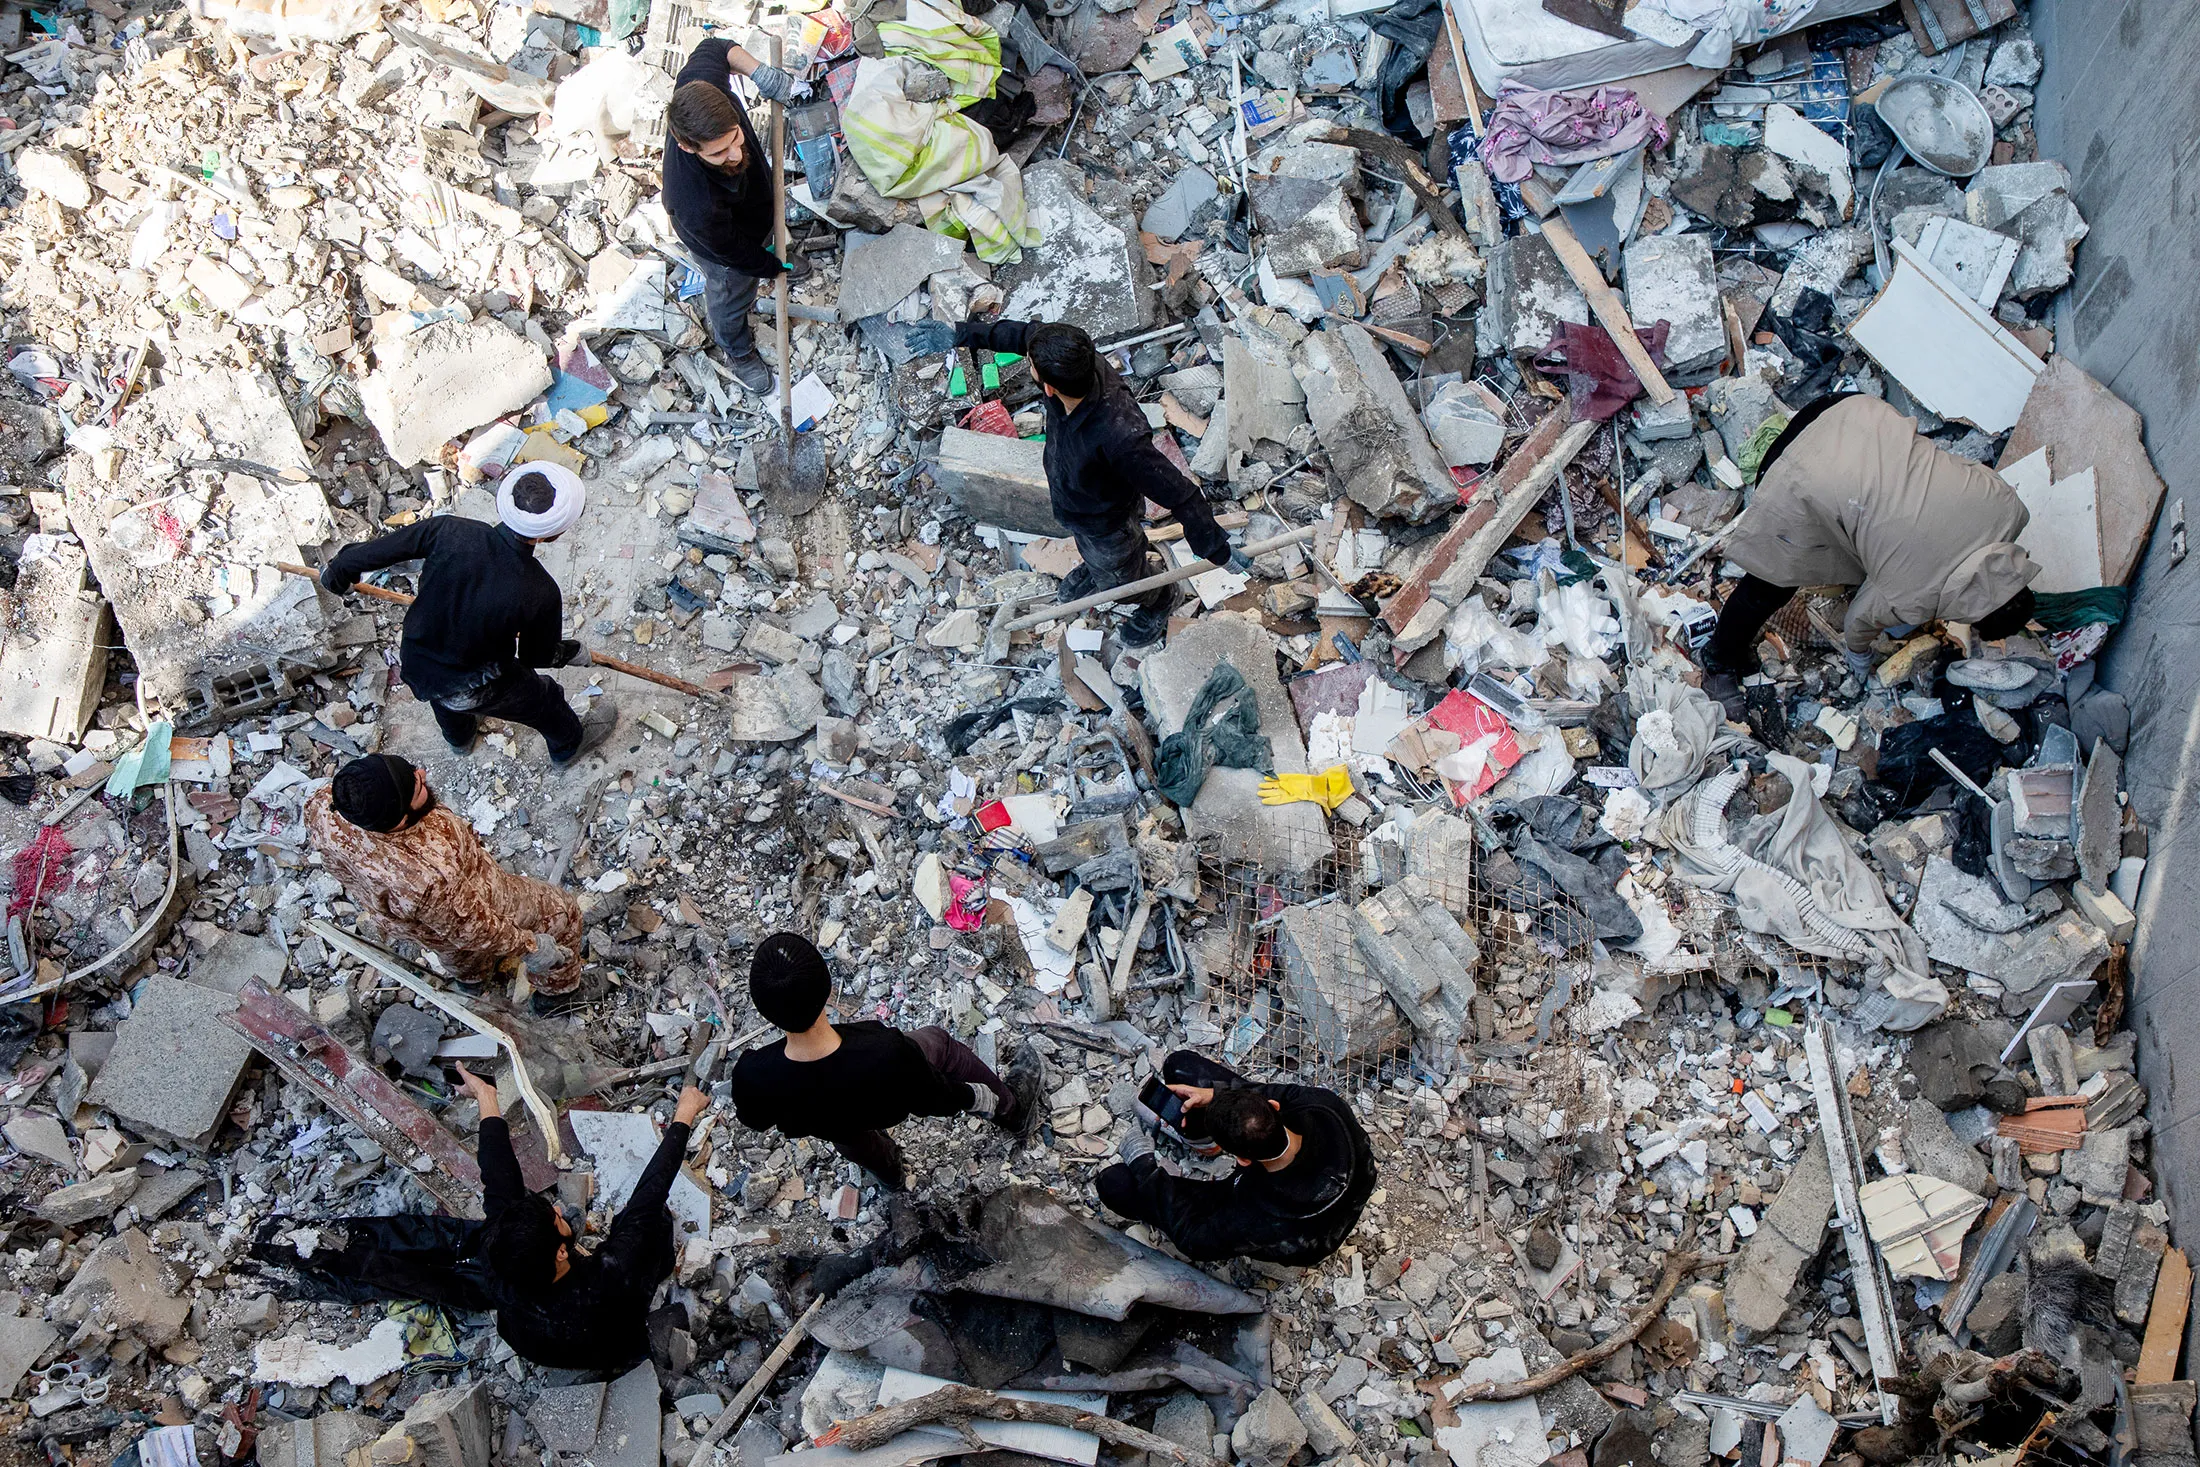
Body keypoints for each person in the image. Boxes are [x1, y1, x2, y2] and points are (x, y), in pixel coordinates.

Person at [248, 1065, 707, 1373]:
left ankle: (313, 1248)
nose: (560, 1212)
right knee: (650, 1226)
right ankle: (326, 1251)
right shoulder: (613, 1271)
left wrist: (486, 1098)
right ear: (563, 1252)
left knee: (436, 1247)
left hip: (520, 1318)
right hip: (599, 1339)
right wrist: (684, 1114)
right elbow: (650, 1193)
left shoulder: (501, 1258)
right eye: (559, 1221)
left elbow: (498, 1175)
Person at [909, 316, 1252, 647]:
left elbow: (1180, 493)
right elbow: (1023, 333)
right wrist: (960, 335)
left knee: (1122, 578)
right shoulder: (1073, 357)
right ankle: (1100, 568)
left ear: (1047, 387)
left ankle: (1158, 598)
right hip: (1078, 500)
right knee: (1100, 556)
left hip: (1106, 519)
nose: (1028, 359)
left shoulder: (1120, 437)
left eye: (1031, 364)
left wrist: (1215, 548)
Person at [1699, 393, 2041, 714]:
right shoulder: (1915, 596)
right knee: (1773, 579)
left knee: (1870, 540)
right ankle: (1719, 659)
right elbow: (1858, 621)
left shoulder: (2010, 508)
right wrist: (1859, 658)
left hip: (1852, 413)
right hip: (1798, 468)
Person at [320, 463, 618, 768]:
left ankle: (460, 739)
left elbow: (380, 550)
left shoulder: (449, 530)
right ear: (552, 536)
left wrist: (338, 572)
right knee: (543, 698)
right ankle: (570, 744)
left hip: (418, 659)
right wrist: (570, 651)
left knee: (443, 699)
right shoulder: (539, 590)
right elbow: (535, 656)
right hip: (474, 681)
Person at [729, 932, 1042, 1190]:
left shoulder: (753, 1075)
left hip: (836, 1125)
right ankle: (1011, 1110)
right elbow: (933, 1097)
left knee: (851, 1139)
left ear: (763, 1008)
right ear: (826, 988)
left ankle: (892, 1177)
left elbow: (755, 1118)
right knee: (939, 1044)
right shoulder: (885, 1050)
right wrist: (973, 1097)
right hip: (882, 1105)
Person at [306, 753, 585, 1005]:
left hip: (416, 923)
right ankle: (559, 994)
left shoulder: (325, 805)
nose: (424, 773)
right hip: (479, 900)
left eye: (413, 770)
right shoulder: (427, 877)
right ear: (401, 820)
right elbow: (477, 929)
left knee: (456, 950)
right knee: (564, 912)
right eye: (416, 785)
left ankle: (473, 982)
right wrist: (530, 947)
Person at [1094, 1050, 1374, 1267]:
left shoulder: (1257, 1216)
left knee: (1114, 1183)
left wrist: (1145, 1168)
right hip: (1345, 1178)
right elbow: (1274, 1093)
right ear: (1274, 1109)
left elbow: (1194, 1240)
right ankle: (1204, 1138)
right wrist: (1212, 1094)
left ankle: (1204, 1141)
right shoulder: (1324, 1106)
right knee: (1179, 1065)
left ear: (1242, 1161)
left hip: (1305, 1237)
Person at [662, 35, 811, 393]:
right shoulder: (692, 202)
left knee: (769, 240)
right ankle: (737, 349)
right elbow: (736, 253)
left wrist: (760, 73)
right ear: (687, 146)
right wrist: (769, 268)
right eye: (718, 153)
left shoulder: (702, 89)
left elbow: (714, 46)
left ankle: (779, 255)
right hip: (724, 248)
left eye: (735, 138)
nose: (732, 155)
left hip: (754, 205)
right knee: (731, 292)